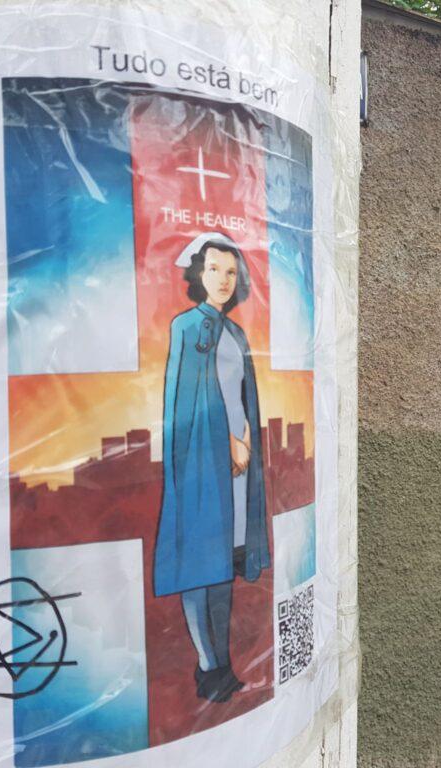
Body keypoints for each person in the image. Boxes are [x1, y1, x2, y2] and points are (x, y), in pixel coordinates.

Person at [153, 231, 271, 703]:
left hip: (239, 467)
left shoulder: (237, 333)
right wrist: (225, 444)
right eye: (214, 269)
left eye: (230, 271)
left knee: (223, 567)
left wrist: (246, 444)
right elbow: (185, 403)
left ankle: (222, 666)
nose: (223, 278)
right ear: (198, 275)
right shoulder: (186, 327)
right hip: (204, 463)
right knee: (200, 564)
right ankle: (207, 667)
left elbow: (243, 398)